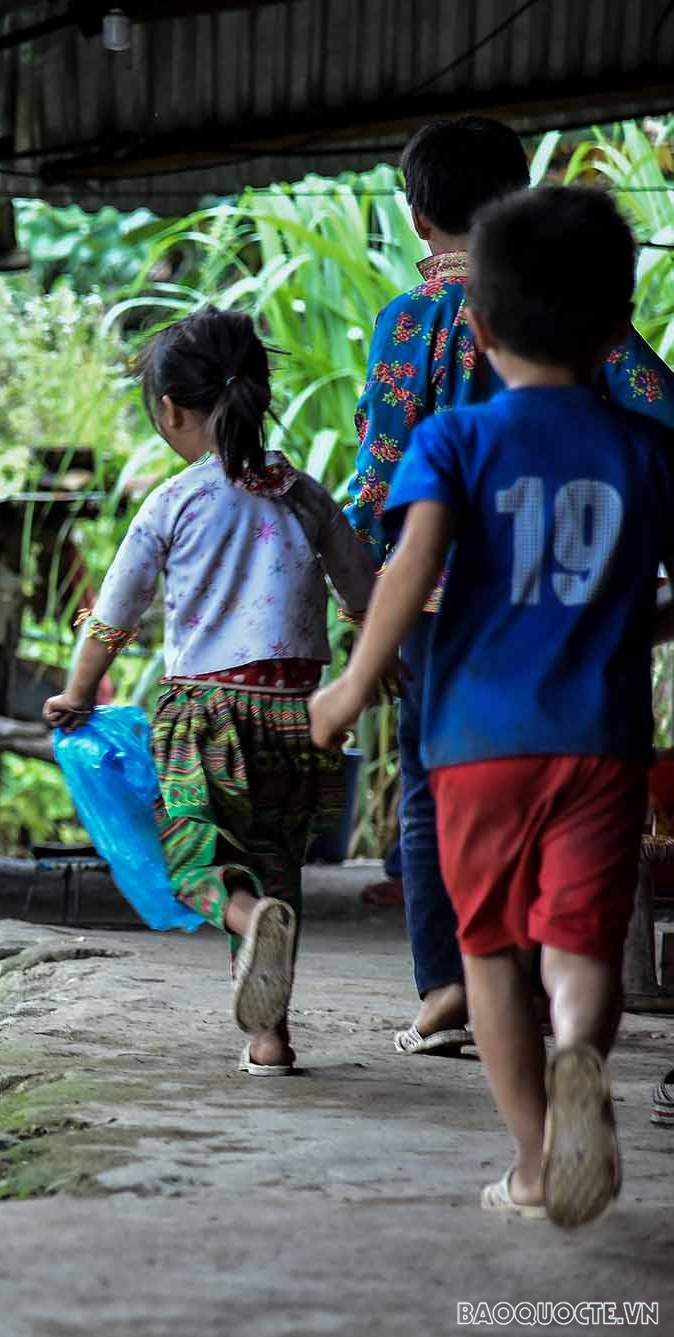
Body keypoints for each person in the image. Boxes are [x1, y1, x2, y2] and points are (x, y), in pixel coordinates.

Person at [312, 186, 674, 1226]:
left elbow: (406, 568)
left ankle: (529, 1157)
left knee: (487, 956)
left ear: (475, 325)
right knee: (578, 947)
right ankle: (577, 1049)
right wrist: (627, 622)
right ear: (616, 328)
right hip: (599, 745)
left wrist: (344, 689)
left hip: (474, 742)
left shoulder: (455, 442)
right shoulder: (647, 454)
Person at [45, 309, 374, 1075]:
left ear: (169, 410)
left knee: (193, 856)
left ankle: (246, 915)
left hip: (205, 719)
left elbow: (113, 618)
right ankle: (270, 1037)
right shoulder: (306, 496)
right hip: (297, 718)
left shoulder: (173, 502)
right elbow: (364, 596)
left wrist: (76, 694)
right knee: (275, 864)